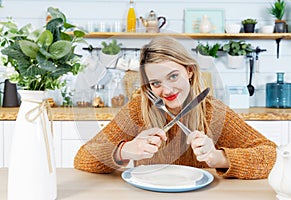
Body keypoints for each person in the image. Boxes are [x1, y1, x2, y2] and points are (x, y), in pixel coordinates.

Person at [74, 36, 276, 179]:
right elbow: (82, 158)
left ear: (189, 71)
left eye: (173, 76)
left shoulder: (212, 111)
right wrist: (125, 150)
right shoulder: (138, 109)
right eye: (156, 83)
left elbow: (272, 156)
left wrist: (218, 157)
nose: (167, 90)